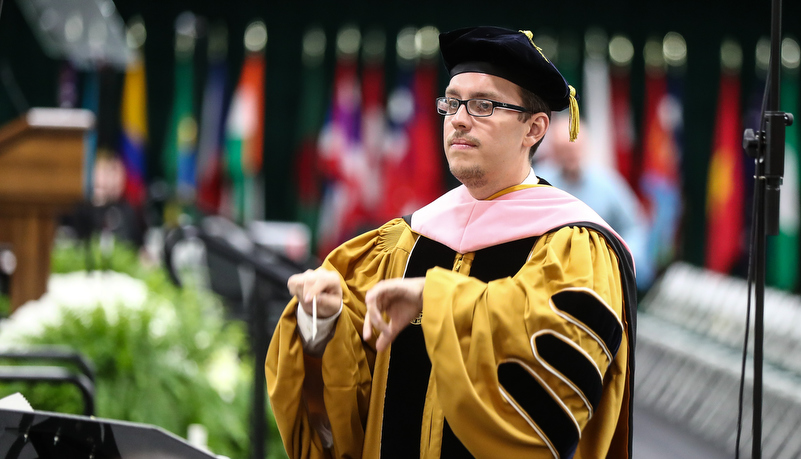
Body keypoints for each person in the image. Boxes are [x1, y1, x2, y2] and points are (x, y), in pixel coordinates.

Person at [266, 26, 636, 459]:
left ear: (534, 129)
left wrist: (435, 299)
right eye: (452, 102)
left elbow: (553, 378)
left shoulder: (574, 248)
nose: (459, 118)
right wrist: (322, 327)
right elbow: (352, 407)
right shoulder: (405, 241)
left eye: (483, 104)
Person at [535, 115, 654, 290]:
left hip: (602, 281)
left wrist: (621, 262)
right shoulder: (538, 182)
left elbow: (635, 226)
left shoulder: (607, 183)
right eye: (564, 149)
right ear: (553, 150)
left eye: (575, 147)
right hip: (549, 281)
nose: (571, 154)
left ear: (585, 146)